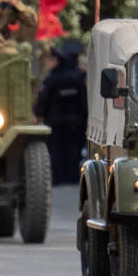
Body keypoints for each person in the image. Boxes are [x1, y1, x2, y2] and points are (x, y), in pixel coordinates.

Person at [35, 41, 87, 184]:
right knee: (74, 150)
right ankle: (72, 177)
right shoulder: (79, 78)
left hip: (55, 122)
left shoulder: (52, 79)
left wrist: (37, 112)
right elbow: (84, 102)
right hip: (76, 122)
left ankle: (58, 178)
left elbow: (43, 100)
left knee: (56, 151)